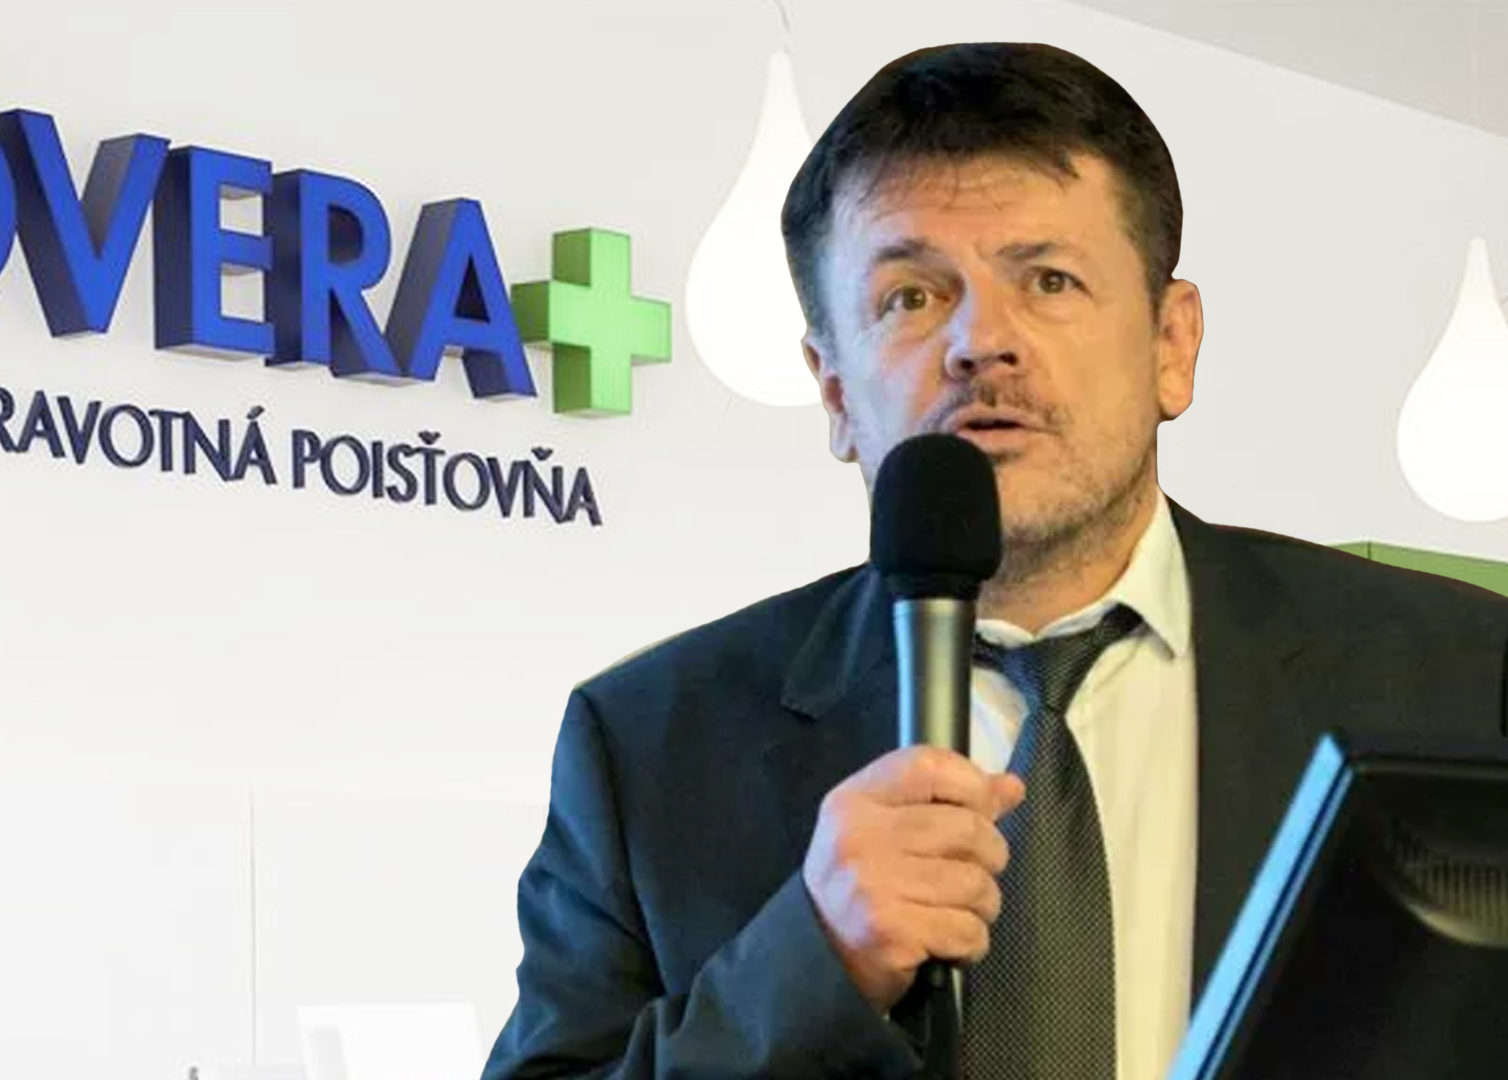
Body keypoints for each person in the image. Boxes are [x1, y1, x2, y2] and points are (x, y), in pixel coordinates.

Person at [479, 40, 1508, 1080]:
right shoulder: (650, 746)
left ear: (1172, 345)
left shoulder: (1460, 675)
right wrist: (810, 963)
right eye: (910, 298)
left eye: (1050, 280)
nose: (981, 342)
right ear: (834, 391)